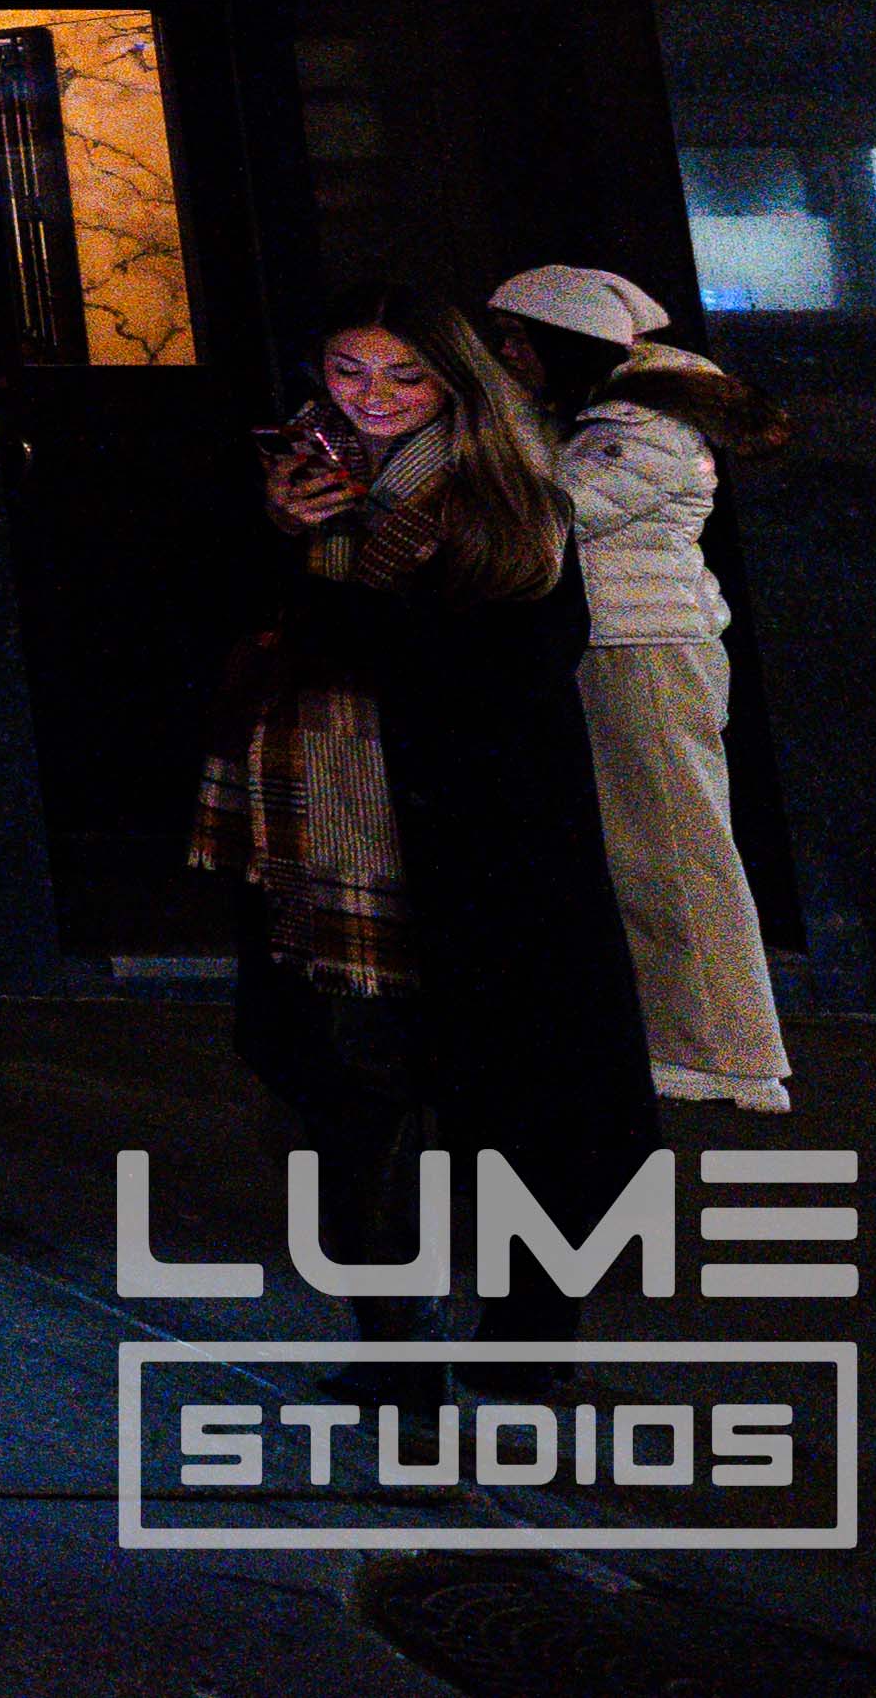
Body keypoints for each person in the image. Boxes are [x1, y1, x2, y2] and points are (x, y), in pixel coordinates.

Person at [187, 289, 657, 1348]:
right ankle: (395, 1344)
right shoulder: (291, 477)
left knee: (513, 1095)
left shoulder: (500, 496)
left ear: (453, 381)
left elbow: (490, 671)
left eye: (406, 375)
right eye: (348, 371)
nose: (375, 396)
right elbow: (209, 619)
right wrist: (277, 534)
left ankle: (529, 1333)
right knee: (344, 1088)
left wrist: (315, 587)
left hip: (476, 847)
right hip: (325, 843)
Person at [486, 264, 798, 1114]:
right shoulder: (614, 410)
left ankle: (729, 1055)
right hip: (628, 643)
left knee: (676, 850)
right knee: (648, 846)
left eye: (518, 338)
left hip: (646, 648)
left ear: (567, 341)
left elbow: (551, 514)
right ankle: (691, 1040)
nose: (507, 353)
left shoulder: (640, 424)